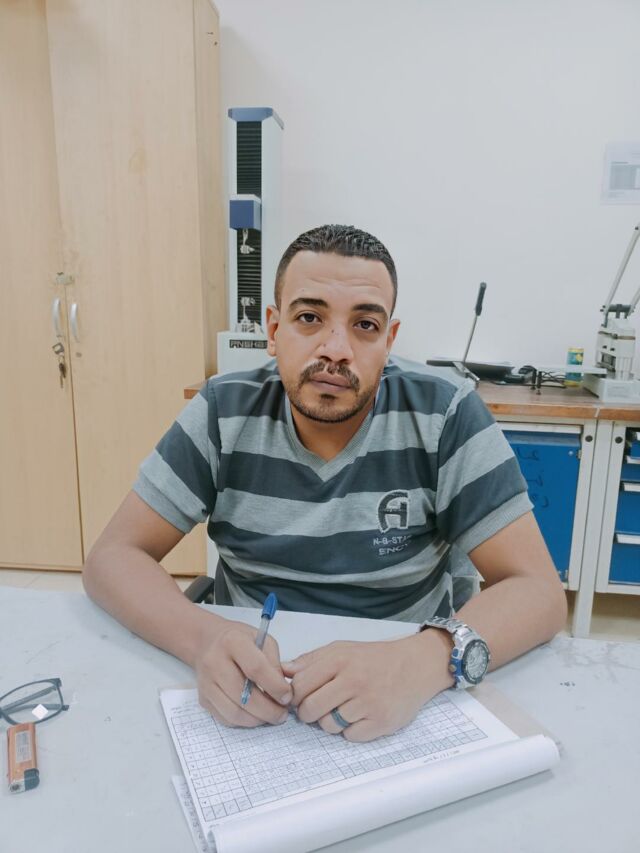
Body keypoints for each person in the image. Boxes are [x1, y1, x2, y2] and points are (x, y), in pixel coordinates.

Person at [83, 224, 567, 743]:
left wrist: (420, 662)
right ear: (274, 329)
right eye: (310, 318)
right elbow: (113, 557)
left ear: (389, 341)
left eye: (365, 325)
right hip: (253, 693)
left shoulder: (445, 414)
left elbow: (539, 592)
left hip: (404, 693)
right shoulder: (223, 412)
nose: (336, 349)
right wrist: (203, 639)